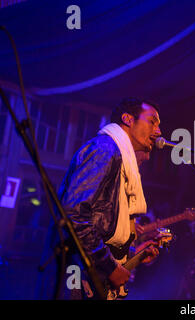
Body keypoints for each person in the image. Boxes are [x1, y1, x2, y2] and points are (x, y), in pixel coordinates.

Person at [56, 97, 162, 299]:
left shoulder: (121, 160)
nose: (158, 131)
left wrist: (132, 254)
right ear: (128, 119)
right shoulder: (105, 149)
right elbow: (74, 214)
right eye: (152, 121)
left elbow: (106, 226)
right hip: (79, 275)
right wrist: (107, 266)